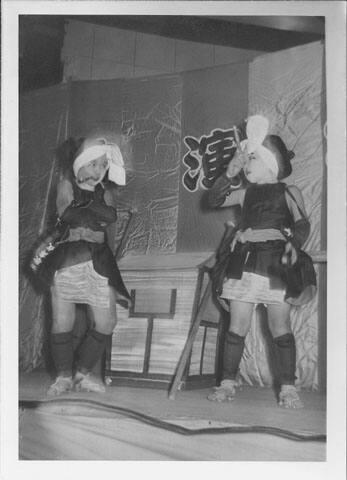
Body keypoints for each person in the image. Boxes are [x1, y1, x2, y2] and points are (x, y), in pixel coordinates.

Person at [207, 115, 317, 409]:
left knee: (279, 325)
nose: (246, 163)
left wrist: (295, 244)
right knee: (236, 325)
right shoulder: (245, 193)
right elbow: (213, 200)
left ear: (271, 162)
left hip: (277, 264)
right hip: (244, 263)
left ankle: (288, 388)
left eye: (251, 157)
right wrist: (230, 171)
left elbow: (303, 223)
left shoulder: (289, 191)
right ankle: (227, 382)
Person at [31, 136, 131, 396]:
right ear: (81, 164)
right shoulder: (66, 185)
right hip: (68, 259)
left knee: (107, 321)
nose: (100, 171)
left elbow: (110, 216)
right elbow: (67, 214)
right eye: (95, 165)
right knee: (63, 319)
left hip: (99, 259)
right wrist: (92, 215)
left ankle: (82, 372)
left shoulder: (106, 191)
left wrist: (87, 215)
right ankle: (63, 377)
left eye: (104, 165)